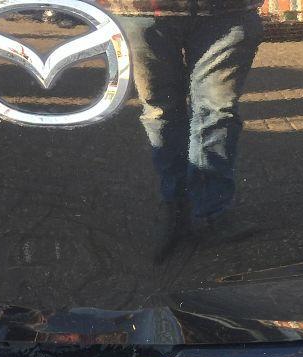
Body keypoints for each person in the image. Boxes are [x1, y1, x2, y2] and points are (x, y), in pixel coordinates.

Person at [106, 0, 264, 246]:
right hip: (140, 11)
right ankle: (181, 209)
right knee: (163, 111)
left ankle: (207, 211)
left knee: (214, 111)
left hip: (227, 10)